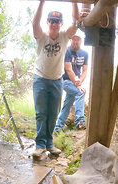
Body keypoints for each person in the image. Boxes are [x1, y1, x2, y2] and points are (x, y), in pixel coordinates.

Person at [31, 0, 79, 160]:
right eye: (52, 21)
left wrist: (74, 3)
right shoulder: (41, 36)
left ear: (61, 24)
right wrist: (41, 2)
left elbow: (76, 23)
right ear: (48, 22)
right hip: (40, 79)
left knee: (53, 113)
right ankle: (39, 146)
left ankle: (49, 144)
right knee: (41, 113)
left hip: (57, 81)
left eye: (57, 21)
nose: (54, 24)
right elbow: (35, 23)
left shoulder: (65, 37)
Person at [54, 31, 89, 132]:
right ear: (70, 40)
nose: (75, 41)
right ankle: (79, 121)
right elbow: (69, 70)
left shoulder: (85, 54)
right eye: (73, 39)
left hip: (75, 82)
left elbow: (85, 70)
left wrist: (80, 82)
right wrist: (77, 84)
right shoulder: (66, 51)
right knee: (80, 92)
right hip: (65, 80)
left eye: (77, 39)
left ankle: (58, 128)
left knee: (68, 104)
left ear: (81, 41)